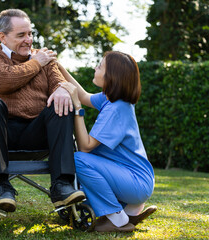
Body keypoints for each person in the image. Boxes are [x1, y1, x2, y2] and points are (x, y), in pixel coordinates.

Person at [0, 9, 85, 212]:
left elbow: (58, 81)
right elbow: (6, 80)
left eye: (30, 34)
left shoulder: (44, 59)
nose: (28, 40)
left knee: (61, 103)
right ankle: (3, 186)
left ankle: (62, 185)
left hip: (34, 132)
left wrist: (61, 90)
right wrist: (36, 63)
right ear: (3, 37)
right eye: (21, 35)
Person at [58, 51, 157, 232]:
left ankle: (117, 218)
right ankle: (130, 212)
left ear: (112, 76)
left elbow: (86, 147)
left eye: (100, 66)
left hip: (135, 182)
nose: (95, 68)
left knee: (79, 159)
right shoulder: (110, 99)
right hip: (134, 178)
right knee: (87, 200)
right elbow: (84, 96)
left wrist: (77, 109)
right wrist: (57, 65)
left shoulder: (116, 109)